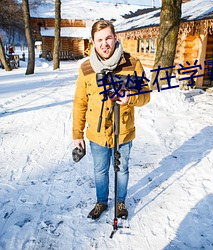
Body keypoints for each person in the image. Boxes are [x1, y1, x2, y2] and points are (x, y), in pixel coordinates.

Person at [72, 20, 150, 220]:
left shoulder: (132, 64)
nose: (104, 43)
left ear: (115, 38)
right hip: (97, 134)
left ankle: (121, 202)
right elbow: (80, 102)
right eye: (99, 40)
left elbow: (146, 95)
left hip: (123, 131)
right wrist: (77, 134)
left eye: (108, 38)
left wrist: (130, 98)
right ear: (93, 42)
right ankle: (101, 202)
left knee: (122, 169)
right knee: (100, 170)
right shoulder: (86, 68)